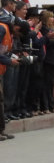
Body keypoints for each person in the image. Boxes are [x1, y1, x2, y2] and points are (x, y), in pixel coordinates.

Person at [0, 9, 18, 140]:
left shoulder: (7, 32)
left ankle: (1, 130)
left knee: (1, 100)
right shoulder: (2, 29)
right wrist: (9, 61)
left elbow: (5, 51)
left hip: (1, 70)